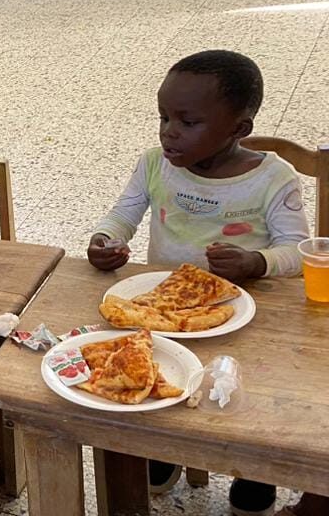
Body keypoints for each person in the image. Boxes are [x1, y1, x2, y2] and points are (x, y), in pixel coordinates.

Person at [86, 50, 314, 515]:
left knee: (254, 399)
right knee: (154, 379)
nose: (169, 131)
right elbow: (122, 215)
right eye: (163, 117)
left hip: (247, 315)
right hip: (160, 314)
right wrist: (105, 239)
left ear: (238, 129)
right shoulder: (155, 163)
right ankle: (163, 453)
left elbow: (298, 251)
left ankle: (254, 473)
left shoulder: (273, 179)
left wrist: (256, 261)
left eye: (187, 122)